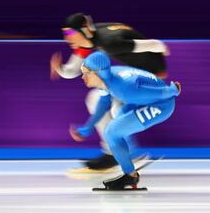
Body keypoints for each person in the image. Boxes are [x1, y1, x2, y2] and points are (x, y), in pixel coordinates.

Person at [50, 13, 169, 171]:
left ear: (83, 30)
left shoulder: (109, 42)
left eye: (71, 33)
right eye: (65, 33)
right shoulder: (89, 38)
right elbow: (73, 70)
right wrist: (61, 69)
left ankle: (122, 154)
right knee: (96, 98)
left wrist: (163, 49)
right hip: (134, 73)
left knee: (112, 105)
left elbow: (153, 45)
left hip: (150, 76)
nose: (67, 38)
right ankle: (116, 153)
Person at [69, 52, 180, 189]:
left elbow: (160, 94)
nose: (83, 77)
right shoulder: (105, 79)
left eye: (87, 73)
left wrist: (173, 90)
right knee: (116, 124)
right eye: (82, 72)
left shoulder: (124, 88)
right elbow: (104, 103)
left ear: (99, 72)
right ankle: (127, 161)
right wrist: (88, 128)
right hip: (141, 100)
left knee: (111, 132)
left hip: (162, 104)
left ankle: (130, 176)